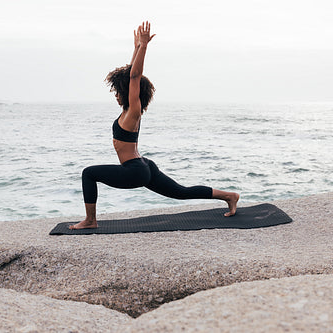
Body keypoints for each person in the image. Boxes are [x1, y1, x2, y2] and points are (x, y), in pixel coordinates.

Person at [70, 21, 239, 230]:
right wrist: (136, 48)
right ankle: (229, 196)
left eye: (117, 91)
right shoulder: (127, 111)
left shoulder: (133, 112)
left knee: (88, 173)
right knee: (180, 192)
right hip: (144, 166)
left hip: (135, 171)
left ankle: (90, 220)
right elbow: (129, 74)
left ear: (128, 93)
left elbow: (134, 77)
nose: (115, 94)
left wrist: (145, 47)